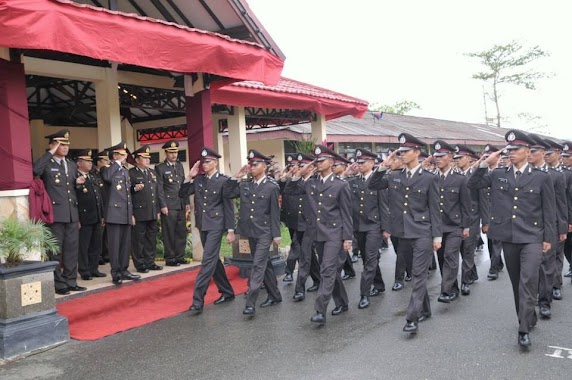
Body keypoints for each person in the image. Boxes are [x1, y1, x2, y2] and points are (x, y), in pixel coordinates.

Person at [467, 129, 555, 347]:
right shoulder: (498, 174)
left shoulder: (541, 177)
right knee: (517, 282)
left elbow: (549, 209)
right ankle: (527, 316)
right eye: (509, 150)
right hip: (509, 236)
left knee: (528, 280)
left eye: (516, 149)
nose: (511, 153)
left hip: (533, 236)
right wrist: (485, 163)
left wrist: (549, 238)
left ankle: (523, 330)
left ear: (527, 151)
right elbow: (472, 184)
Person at [369, 133, 442, 334]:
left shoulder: (429, 178)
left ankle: (412, 318)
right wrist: (385, 164)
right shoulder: (394, 176)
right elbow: (372, 184)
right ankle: (425, 309)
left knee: (418, 275)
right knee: (415, 272)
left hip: (422, 232)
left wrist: (437, 236)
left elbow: (435, 209)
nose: (401, 155)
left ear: (417, 153)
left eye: (405, 151)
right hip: (402, 233)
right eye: (399, 152)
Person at [284, 145, 351, 323]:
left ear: (331, 162)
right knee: (329, 271)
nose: (318, 163)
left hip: (334, 233)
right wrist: (300, 173)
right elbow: (289, 191)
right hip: (317, 233)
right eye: (317, 160)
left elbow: (346, 213)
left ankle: (320, 309)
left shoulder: (340, 185)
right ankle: (343, 302)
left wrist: (347, 238)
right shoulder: (311, 183)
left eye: (322, 160)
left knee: (327, 270)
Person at [223, 150, 282, 316]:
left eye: (255, 164)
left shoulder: (271, 187)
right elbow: (227, 194)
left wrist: (276, 235)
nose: (251, 167)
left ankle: (251, 302)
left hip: (265, 232)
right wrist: (236, 176)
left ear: (264, 166)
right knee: (265, 264)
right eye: (250, 164)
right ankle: (275, 295)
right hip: (250, 231)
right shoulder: (245, 185)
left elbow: (274, 213)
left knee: (257, 265)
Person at [181, 147, 236, 313]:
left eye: (208, 162)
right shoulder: (199, 180)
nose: (205, 165)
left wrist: (231, 230)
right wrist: (189, 176)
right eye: (203, 162)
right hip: (203, 225)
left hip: (216, 225)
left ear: (215, 162)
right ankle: (227, 291)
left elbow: (228, 206)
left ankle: (198, 300)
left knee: (207, 261)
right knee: (214, 261)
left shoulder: (224, 181)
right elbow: (182, 193)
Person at [32, 129, 86, 295]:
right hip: (55, 214)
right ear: (52, 145)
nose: (65, 147)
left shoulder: (70, 164)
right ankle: (58, 283)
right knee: (56, 251)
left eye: (67, 145)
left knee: (71, 249)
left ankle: (70, 280)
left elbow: (70, 190)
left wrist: (77, 182)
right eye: (61, 144)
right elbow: (36, 170)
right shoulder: (47, 163)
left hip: (71, 213)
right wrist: (51, 152)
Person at [526, 134, 567, 318]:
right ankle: (530, 300)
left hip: (549, 226)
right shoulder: (525, 173)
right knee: (530, 268)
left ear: (542, 153)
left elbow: (561, 203)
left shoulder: (556, 175)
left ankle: (544, 301)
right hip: (528, 228)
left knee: (546, 265)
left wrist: (562, 228)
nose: (529, 155)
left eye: (533, 152)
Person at [430, 141, 471, 303]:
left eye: (442, 156)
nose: (438, 159)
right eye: (436, 156)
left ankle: (445, 291)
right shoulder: (432, 178)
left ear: (450, 157)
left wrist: (466, 226)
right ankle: (453, 288)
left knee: (450, 256)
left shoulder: (460, 179)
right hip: (438, 226)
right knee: (441, 258)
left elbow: (466, 205)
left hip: (455, 225)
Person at [347, 148, 386, 309]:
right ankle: (379, 284)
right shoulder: (353, 181)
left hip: (374, 226)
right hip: (358, 226)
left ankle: (365, 293)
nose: (359, 165)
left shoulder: (379, 181)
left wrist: (386, 228)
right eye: (358, 162)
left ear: (371, 163)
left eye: (363, 162)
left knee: (369, 259)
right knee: (368, 257)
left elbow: (383, 206)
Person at [279, 154, 321, 289]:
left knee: (304, 254)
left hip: (312, 224)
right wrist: (291, 176)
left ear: (311, 168)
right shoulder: (297, 181)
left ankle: (299, 287)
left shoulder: (316, 181)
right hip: (298, 223)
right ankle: (318, 279)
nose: (299, 168)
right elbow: (286, 191)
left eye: (302, 166)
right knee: (307, 254)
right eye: (299, 166)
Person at [101, 142, 140, 285]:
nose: (125, 158)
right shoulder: (108, 169)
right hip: (113, 213)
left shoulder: (125, 170)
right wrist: (116, 162)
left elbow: (127, 194)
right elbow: (107, 178)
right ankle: (115, 272)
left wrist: (131, 214)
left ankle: (124, 270)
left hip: (125, 213)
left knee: (125, 244)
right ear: (115, 156)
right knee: (114, 245)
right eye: (122, 155)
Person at [543, 138, 572, 295]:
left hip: (557, 219)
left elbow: (565, 201)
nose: (546, 156)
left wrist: (567, 222)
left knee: (556, 255)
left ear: (557, 154)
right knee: (544, 257)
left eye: (549, 153)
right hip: (542, 221)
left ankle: (556, 286)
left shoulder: (563, 174)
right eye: (545, 153)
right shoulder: (540, 173)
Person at [454, 144, 485, 290]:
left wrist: (485, 222)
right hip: (457, 218)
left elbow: (482, 199)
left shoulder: (475, 176)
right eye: (456, 158)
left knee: (467, 249)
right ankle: (473, 274)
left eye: (460, 158)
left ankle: (465, 282)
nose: (457, 160)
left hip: (472, 217)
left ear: (468, 158)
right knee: (462, 249)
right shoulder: (454, 175)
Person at [155, 140, 190, 266]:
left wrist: (186, 201)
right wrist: (162, 205)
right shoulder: (160, 168)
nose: (174, 155)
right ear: (166, 153)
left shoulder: (179, 166)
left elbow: (183, 185)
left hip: (180, 203)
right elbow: (159, 189)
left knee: (181, 231)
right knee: (169, 232)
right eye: (171, 152)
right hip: (169, 205)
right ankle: (170, 258)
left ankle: (180, 256)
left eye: (175, 152)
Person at [129, 145, 162, 274]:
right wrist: (134, 188)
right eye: (144, 158)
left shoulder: (152, 172)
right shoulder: (131, 173)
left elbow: (157, 192)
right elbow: (127, 193)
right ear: (137, 160)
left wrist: (158, 209)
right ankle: (140, 263)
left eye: (148, 158)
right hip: (139, 212)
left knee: (151, 238)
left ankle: (150, 261)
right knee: (138, 240)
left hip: (152, 211)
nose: (148, 160)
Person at [74, 149, 106, 281]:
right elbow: (74, 200)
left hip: (96, 216)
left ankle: (94, 269)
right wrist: (77, 219)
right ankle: (84, 270)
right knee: (84, 246)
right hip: (84, 217)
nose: (90, 163)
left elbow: (99, 197)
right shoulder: (75, 177)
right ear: (79, 163)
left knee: (96, 245)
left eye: (90, 161)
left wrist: (102, 215)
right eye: (87, 161)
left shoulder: (93, 176)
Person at [480, 145, 505, 280]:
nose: (489, 158)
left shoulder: (503, 173)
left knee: (496, 242)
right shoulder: (483, 175)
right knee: (491, 242)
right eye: (486, 156)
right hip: (488, 214)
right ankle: (498, 263)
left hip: (501, 214)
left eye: (492, 156)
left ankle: (493, 268)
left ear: (499, 157)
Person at [331, 154, 356, 280]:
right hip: (335, 222)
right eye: (333, 165)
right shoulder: (332, 181)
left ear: (344, 166)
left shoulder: (348, 181)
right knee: (341, 250)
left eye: (336, 165)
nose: (333, 167)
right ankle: (349, 270)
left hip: (346, 219)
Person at [94, 150, 110, 265]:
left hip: (107, 205)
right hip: (98, 207)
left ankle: (106, 254)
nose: (107, 162)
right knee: (99, 234)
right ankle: (98, 256)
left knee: (107, 233)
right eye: (105, 160)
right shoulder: (93, 174)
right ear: (98, 162)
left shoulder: (106, 173)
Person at [561, 141, 572, 279]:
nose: (564, 158)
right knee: (567, 244)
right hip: (568, 213)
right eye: (563, 155)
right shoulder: (564, 174)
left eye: (567, 156)